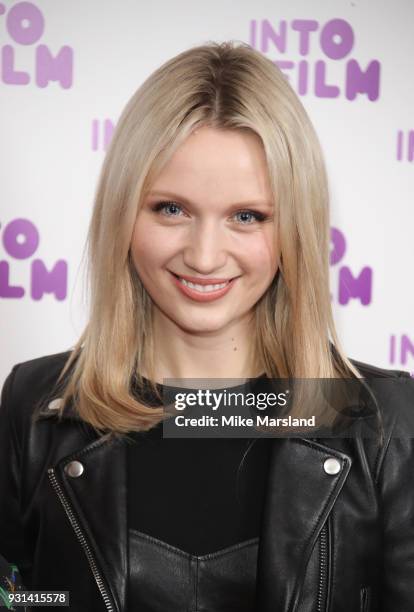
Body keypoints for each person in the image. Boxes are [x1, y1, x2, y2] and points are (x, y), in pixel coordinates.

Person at [0, 40, 413, 612]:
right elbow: (20, 596)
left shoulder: (387, 425)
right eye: (171, 208)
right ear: (123, 212)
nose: (204, 255)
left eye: (247, 216)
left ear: (295, 227)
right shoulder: (36, 406)